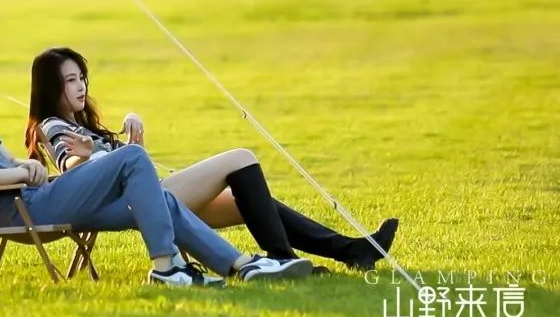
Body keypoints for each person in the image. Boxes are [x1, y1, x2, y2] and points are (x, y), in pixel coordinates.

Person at [0, 30, 313, 288]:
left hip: (38, 197)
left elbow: (3, 159)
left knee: (164, 199)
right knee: (131, 159)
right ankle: (166, 267)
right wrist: (23, 170)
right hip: (23, 210)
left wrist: (24, 169)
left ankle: (242, 266)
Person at [23, 47, 400, 272]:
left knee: (250, 201)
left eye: (82, 77)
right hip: (140, 204)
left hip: (146, 197)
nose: (81, 86)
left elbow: (124, 167)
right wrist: (90, 158)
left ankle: (351, 250)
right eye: (71, 80)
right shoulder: (54, 126)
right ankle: (283, 259)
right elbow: (74, 171)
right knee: (240, 159)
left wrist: (127, 141)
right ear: (51, 86)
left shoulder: (79, 123)